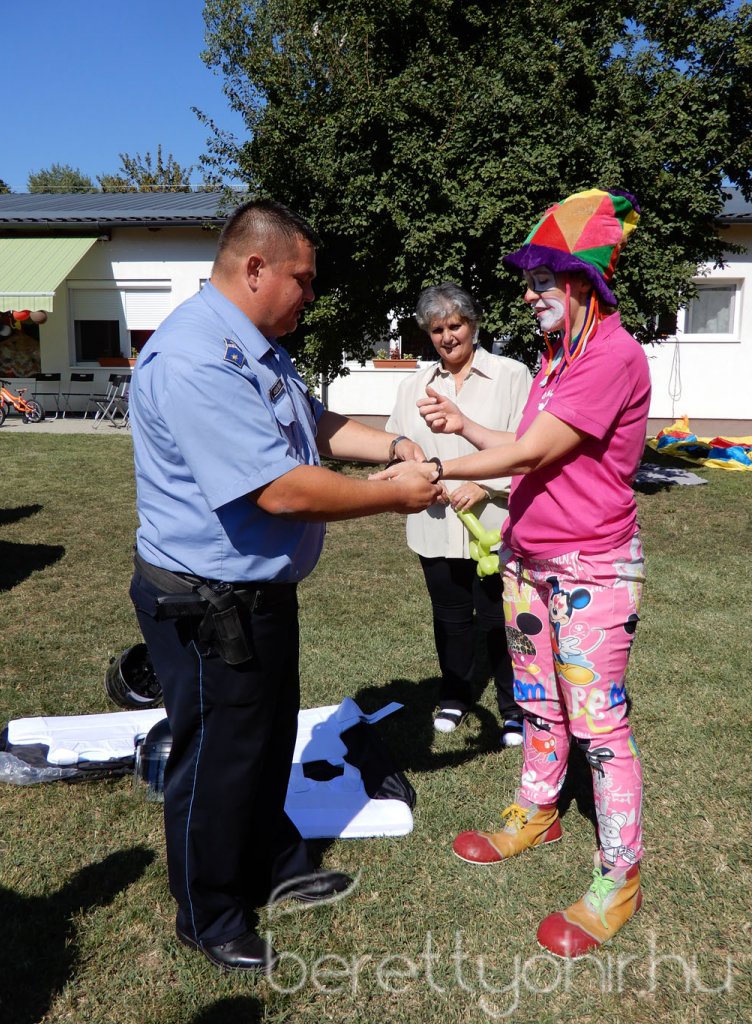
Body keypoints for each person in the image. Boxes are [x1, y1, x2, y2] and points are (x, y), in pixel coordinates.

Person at [128, 199, 443, 973]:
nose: (311, 294)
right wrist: (395, 493)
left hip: (255, 594)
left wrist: (395, 443)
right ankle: (208, 913)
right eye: (302, 279)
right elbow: (281, 490)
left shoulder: (256, 345)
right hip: (208, 604)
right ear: (255, 267)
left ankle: (269, 858)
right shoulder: (199, 358)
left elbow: (314, 424)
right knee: (216, 760)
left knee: (265, 744)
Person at [373, 189, 650, 958]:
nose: (526, 295)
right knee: (537, 703)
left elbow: (528, 455)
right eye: (526, 281)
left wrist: (439, 462)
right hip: (528, 563)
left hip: (592, 567)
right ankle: (538, 808)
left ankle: (619, 872)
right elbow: (529, 443)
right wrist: (465, 428)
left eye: (539, 280)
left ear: (582, 282)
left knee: (600, 728)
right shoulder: (558, 362)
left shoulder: (611, 355)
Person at [386, 283, 531, 739]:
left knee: (499, 619)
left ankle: (513, 708)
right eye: (437, 329)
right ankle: (453, 696)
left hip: (494, 525)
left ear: (473, 324)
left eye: (455, 325)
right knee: (449, 616)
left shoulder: (512, 375)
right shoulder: (414, 384)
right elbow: (400, 449)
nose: (448, 336)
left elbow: (529, 450)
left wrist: (485, 486)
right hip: (434, 523)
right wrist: (413, 475)